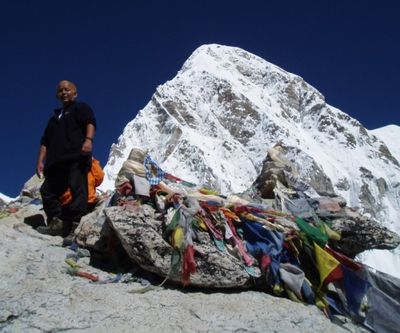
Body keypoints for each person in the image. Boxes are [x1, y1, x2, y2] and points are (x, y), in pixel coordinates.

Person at [36, 80, 96, 240]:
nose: (64, 92)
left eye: (67, 90)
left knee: (78, 191)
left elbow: (90, 122)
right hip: (55, 163)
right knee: (47, 191)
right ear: (57, 95)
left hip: (75, 157)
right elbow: (45, 142)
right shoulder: (53, 119)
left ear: (75, 93)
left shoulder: (80, 107)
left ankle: (75, 228)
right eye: (61, 90)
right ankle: (56, 224)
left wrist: (88, 140)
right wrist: (40, 161)